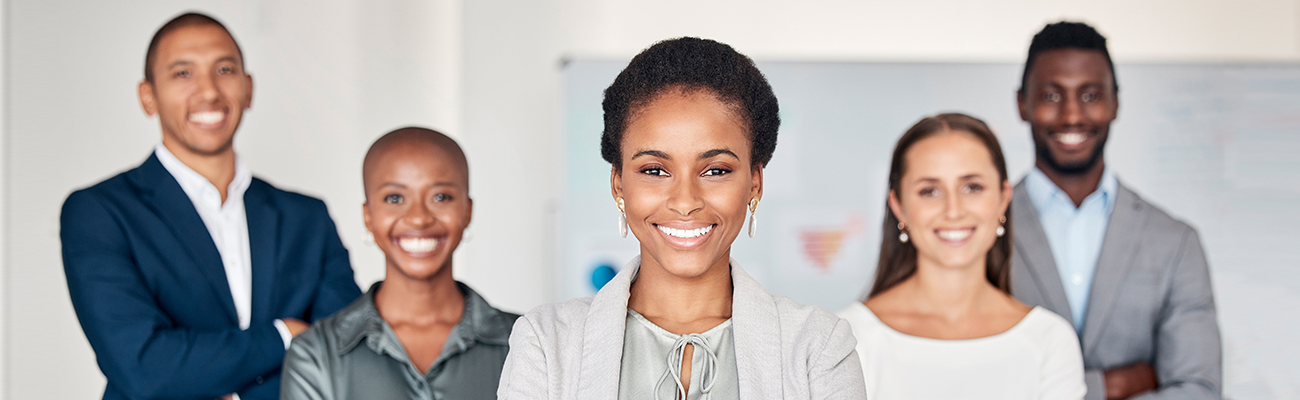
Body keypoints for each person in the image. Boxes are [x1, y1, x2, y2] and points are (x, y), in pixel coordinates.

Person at [497, 37, 866, 400]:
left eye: (716, 170)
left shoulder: (818, 346)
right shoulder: (546, 343)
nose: (685, 202)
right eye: (655, 170)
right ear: (618, 184)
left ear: (755, 183)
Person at [60, 13, 361, 400]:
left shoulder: (307, 218)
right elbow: (145, 369)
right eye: (183, 73)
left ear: (248, 88)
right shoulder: (101, 213)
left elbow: (346, 361)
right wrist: (284, 334)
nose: (209, 92)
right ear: (147, 97)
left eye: (224, 69)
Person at [1011, 21, 1222, 400]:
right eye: (1052, 95)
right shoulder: (978, 231)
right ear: (1022, 104)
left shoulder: (1176, 242)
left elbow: (1198, 391)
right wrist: (1112, 385)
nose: (1072, 115)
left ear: (1116, 103)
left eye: (1090, 95)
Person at [838, 113, 1085, 399]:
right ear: (898, 206)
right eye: (929, 191)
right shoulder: (848, 338)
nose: (953, 210)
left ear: (1003, 198)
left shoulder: (1049, 341)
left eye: (972, 187)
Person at [281, 127, 519, 399]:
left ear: (467, 211)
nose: (419, 218)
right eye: (395, 198)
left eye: (441, 197)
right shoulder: (316, 354)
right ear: (368, 216)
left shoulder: (526, 342)